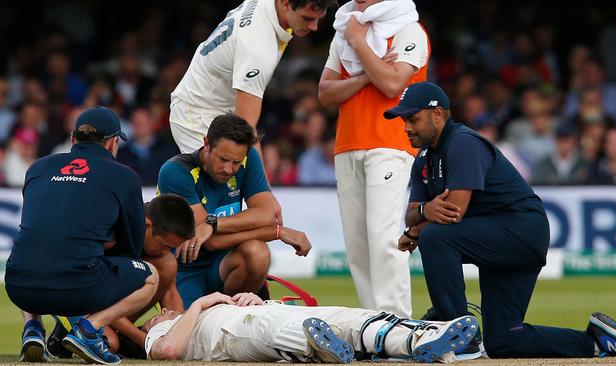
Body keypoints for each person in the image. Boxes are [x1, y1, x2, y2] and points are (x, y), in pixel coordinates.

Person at [384, 81, 616, 359]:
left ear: (437, 114)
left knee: (436, 237)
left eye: (412, 119)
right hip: (496, 235)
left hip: (520, 230)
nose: (406, 127)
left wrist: (419, 225)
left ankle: (453, 329)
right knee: (504, 342)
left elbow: (453, 212)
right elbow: (412, 212)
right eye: (405, 120)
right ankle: (598, 342)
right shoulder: (424, 157)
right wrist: (424, 214)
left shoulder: (462, 142)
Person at [5, 106, 159, 365]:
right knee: (151, 277)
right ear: (112, 144)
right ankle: (88, 331)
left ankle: (32, 328)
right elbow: (132, 245)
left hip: (19, 286)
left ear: (74, 139)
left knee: (35, 250)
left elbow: (38, 228)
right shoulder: (124, 176)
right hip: (77, 288)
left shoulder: (38, 167)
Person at [169, 0, 337, 225]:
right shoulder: (258, 48)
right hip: (198, 114)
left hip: (215, 105)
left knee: (239, 205)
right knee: (221, 209)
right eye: (308, 18)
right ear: (286, 4)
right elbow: (244, 131)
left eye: (319, 18)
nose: (315, 27)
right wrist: (266, 193)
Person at [317, 0, 430, 317]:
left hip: (390, 142)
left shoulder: (410, 30)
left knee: (382, 239)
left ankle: (397, 323)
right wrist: (368, 73)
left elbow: (394, 83)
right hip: (348, 143)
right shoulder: (344, 30)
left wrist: (357, 42)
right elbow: (325, 93)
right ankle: (374, 323)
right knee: (358, 247)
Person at [157, 113, 312, 309]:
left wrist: (212, 223)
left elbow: (265, 214)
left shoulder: (249, 157)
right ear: (206, 143)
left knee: (257, 252)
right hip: (184, 268)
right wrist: (277, 233)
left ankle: (235, 314)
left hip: (224, 262)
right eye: (223, 159)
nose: (229, 169)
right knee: (187, 335)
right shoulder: (176, 172)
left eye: (236, 162)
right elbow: (211, 242)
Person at [46, 194, 196, 360]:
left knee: (167, 264)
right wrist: (146, 341)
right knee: (110, 344)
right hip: (72, 287)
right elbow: (97, 296)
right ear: (147, 225)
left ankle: (117, 337)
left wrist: (177, 336)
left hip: (104, 296)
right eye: (164, 245)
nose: (166, 251)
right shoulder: (111, 233)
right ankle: (67, 325)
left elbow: (170, 293)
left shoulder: (158, 246)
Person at [143, 291, 480, 363]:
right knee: (281, 325)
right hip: (235, 335)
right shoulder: (160, 334)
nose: (163, 311)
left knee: (351, 317)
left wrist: (250, 298)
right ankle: (320, 349)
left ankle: (419, 339)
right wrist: (201, 304)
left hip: (257, 315)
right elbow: (169, 351)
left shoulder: (186, 316)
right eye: (154, 315)